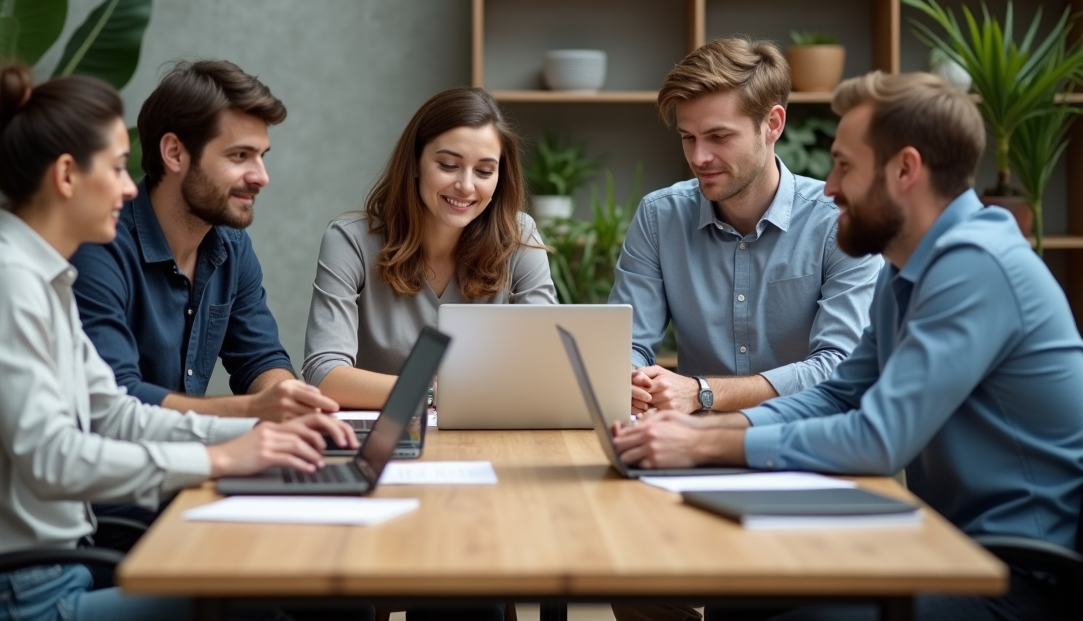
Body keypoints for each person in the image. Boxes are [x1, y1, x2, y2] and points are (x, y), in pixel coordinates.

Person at [613, 71, 1083, 620]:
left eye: (845, 166)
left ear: (905, 169)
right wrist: (699, 427)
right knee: (738, 597)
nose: (830, 187)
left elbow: (878, 438)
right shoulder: (906, 271)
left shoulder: (973, 265)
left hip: (1019, 572)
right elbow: (839, 394)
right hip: (945, 543)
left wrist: (701, 445)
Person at [0, 64, 358, 621]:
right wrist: (218, 456)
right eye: (119, 168)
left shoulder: (40, 279)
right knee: (253, 603)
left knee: (298, 591)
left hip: (59, 570)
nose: (129, 187)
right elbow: (52, 458)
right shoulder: (3, 286)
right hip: (21, 597)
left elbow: (114, 411)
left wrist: (257, 436)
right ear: (67, 176)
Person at [609, 37, 881, 416]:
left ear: (772, 124)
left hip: (806, 443)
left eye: (719, 137)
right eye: (688, 137)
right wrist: (629, 377)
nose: (699, 157)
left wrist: (703, 392)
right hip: (693, 443)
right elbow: (628, 344)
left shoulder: (839, 220)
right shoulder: (660, 216)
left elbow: (840, 366)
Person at [72, 59, 336, 422]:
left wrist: (291, 405)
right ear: (175, 153)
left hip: (189, 461)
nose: (261, 177)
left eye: (261, 156)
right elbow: (115, 396)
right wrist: (251, 410)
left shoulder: (232, 246)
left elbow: (259, 358)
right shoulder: (99, 245)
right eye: (240, 155)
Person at [303, 87, 558, 407]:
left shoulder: (519, 236)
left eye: (484, 171)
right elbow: (324, 375)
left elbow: (548, 366)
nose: (466, 186)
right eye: (449, 165)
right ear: (414, 164)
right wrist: (434, 392)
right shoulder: (350, 241)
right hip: (386, 440)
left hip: (486, 436)